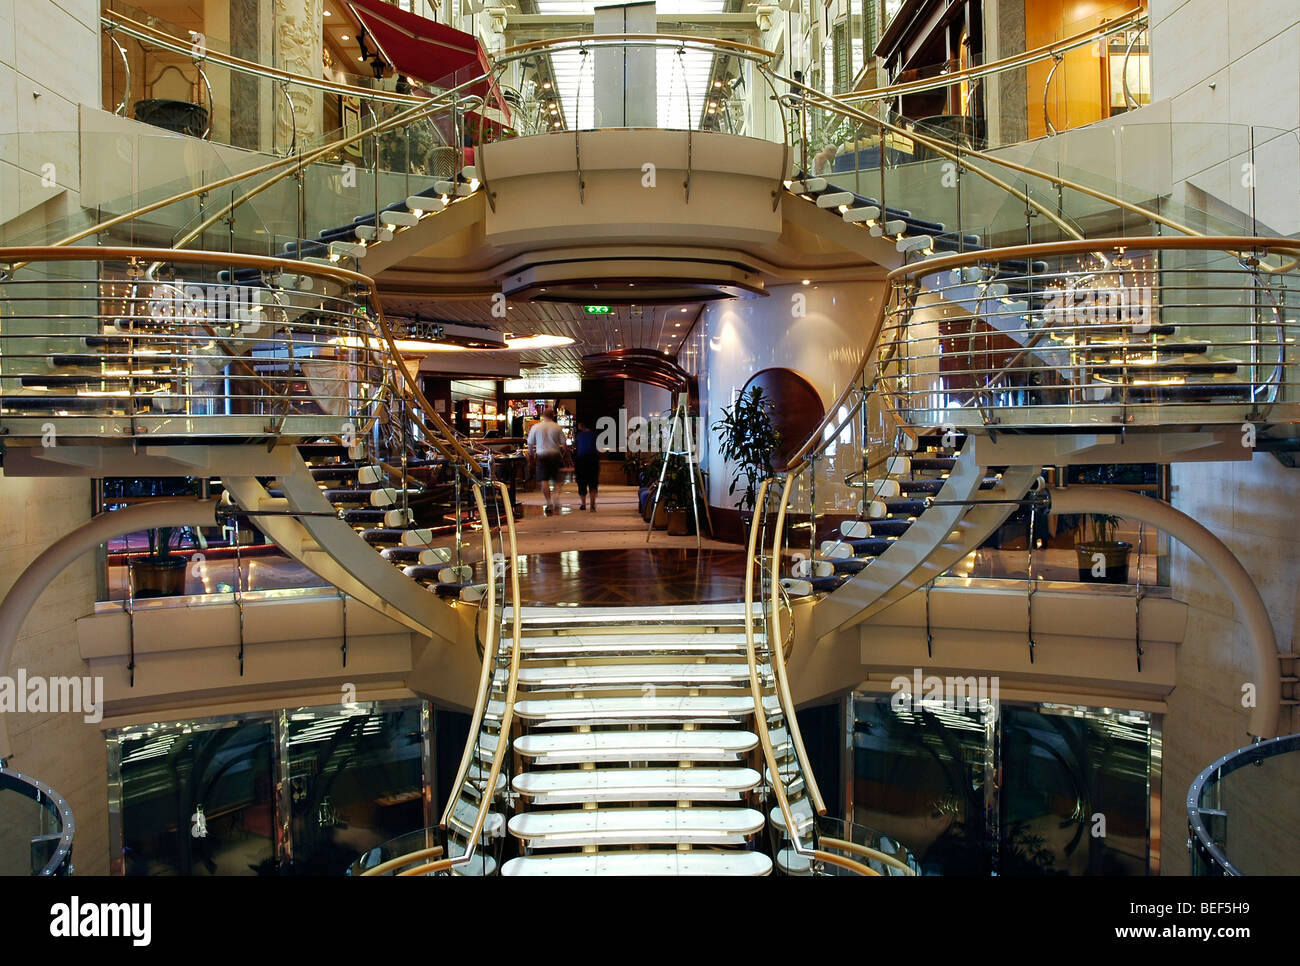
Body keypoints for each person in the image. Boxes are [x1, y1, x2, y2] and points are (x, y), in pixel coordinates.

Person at [527, 408, 568, 515]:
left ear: (542, 415)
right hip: (555, 455)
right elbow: (564, 445)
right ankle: (556, 496)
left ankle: (549, 502)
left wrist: (531, 456)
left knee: (543, 479)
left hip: (541, 455)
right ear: (553, 415)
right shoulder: (557, 427)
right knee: (558, 479)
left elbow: (530, 443)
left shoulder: (536, 427)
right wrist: (565, 456)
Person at [573, 419, 600, 511]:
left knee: (581, 482)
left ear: (581, 425)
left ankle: (583, 504)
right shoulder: (593, 434)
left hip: (581, 460)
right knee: (593, 482)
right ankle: (592, 504)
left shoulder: (579, 435)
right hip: (592, 459)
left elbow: (578, 448)